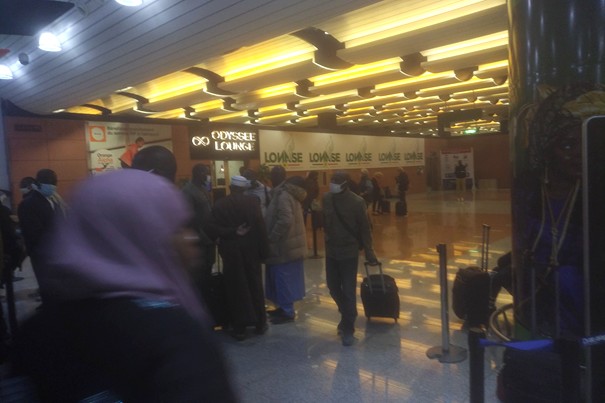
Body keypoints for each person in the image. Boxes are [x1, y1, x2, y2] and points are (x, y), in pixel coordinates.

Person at [11, 169, 237, 402]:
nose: (191, 238)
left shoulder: (35, 332)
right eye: (178, 228)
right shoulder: (176, 337)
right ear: (145, 236)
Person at [205, 175, 270, 341]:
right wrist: (264, 252)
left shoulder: (220, 204)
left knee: (236, 288)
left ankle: (240, 327)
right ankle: (260, 323)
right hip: (251, 251)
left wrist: (228, 233)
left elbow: (210, 227)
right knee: (254, 284)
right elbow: (261, 228)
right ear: (244, 189)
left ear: (230, 187)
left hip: (231, 251)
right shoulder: (252, 203)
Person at [322, 171, 378, 346]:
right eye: (332, 180)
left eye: (336, 181)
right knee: (332, 286)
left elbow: (364, 229)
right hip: (331, 251)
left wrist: (369, 252)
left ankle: (348, 327)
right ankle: (348, 313)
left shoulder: (356, 202)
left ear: (345, 183)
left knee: (348, 289)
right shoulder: (326, 199)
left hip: (349, 252)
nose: (333, 184)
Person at [264, 176, 307, 324]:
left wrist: (272, 237)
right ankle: (283, 307)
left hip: (284, 246)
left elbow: (285, 219)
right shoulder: (290, 195)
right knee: (286, 277)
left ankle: (287, 311)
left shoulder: (283, 195)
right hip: (291, 245)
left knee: (282, 278)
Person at [17, 169, 67, 283]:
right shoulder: (28, 204)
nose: (52, 187)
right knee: (48, 284)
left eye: (54, 184)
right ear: (38, 183)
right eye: (48, 183)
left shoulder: (52, 200)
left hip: (57, 251)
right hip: (42, 253)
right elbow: (33, 233)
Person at [181, 164, 217, 318]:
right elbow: (189, 220)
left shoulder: (203, 189)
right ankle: (197, 309)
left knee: (207, 272)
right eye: (205, 174)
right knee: (198, 277)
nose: (207, 177)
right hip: (199, 241)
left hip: (209, 239)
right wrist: (203, 236)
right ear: (197, 173)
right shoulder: (188, 192)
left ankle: (206, 306)